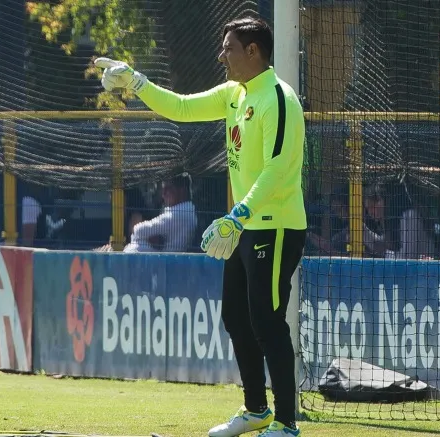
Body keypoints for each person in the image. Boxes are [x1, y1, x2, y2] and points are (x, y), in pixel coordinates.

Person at [96, 16, 307, 437]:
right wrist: (136, 81)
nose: (221, 55)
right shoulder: (235, 94)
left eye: (229, 48)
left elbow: (278, 168)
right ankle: (256, 410)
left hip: (275, 227)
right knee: (235, 317)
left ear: (252, 51)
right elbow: (181, 107)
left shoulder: (278, 98)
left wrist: (239, 214)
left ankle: (286, 423)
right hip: (243, 227)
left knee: (267, 322)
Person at [123, 173, 198, 253]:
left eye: (168, 188)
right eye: (163, 189)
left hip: (163, 258)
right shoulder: (186, 212)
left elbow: (139, 230)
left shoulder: (178, 214)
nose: (163, 194)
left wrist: (146, 235)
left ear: (182, 190)